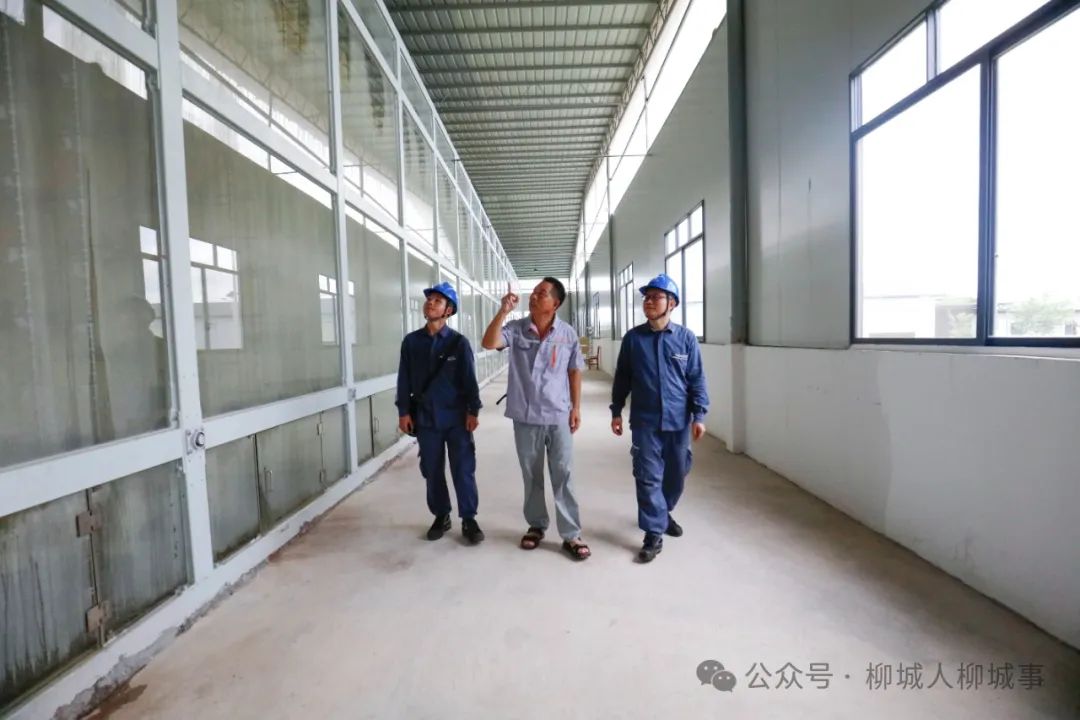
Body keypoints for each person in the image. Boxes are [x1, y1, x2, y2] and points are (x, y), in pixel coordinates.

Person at [481, 277, 591, 561]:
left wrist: (576, 408)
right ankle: (536, 525)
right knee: (531, 475)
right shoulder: (516, 328)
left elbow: (574, 371)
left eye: (542, 293)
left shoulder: (567, 334)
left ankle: (571, 534)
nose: (534, 296)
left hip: (558, 415)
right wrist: (503, 311)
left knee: (563, 473)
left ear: (556, 303)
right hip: (526, 415)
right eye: (534, 292)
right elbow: (489, 342)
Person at [610, 273, 709, 563]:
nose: (649, 302)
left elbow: (696, 379)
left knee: (677, 473)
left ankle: (663, 513)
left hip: (678, 421)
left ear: (672, 303)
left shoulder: (686, 338)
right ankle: (653, 533)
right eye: (647, 297)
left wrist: (699, 415)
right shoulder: (633, 339)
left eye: (656, 297)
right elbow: (622, 378)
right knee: (647, 475)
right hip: (645, 421)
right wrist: (616, 410)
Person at [396, 282, 484, 544]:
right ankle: (441, 515)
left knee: (463, 468)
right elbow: (404, 379)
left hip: (457, 418)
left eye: (437, 300)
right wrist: (403, 411)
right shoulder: (412, 342)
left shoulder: (459, 343)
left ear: (448, 310)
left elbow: (469, 380)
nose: (430, 303)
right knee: (432, 469)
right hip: (426, 418)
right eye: (429, 300)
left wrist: (473, 410)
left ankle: (468, 518)